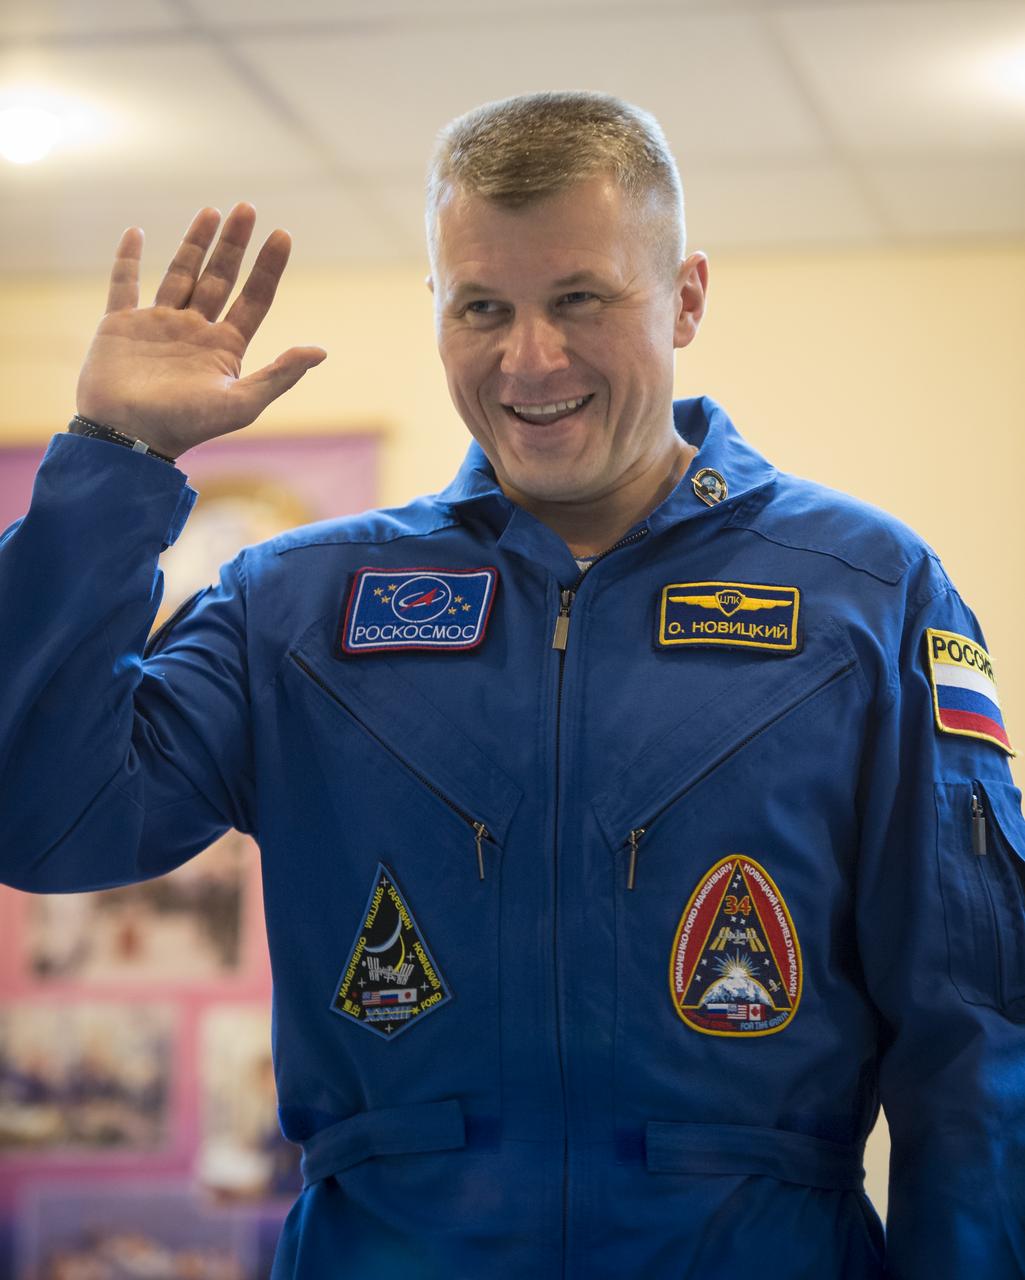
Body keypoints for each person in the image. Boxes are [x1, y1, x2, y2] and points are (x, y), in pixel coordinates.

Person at [1, 90, 1023, 1279]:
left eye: (578, 298)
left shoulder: (864, 590)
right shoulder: (300, 603)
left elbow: (974, 1044)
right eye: (480, 306)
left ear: (684, 297)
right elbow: (45, 821)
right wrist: (112, 468)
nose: (528, 359)